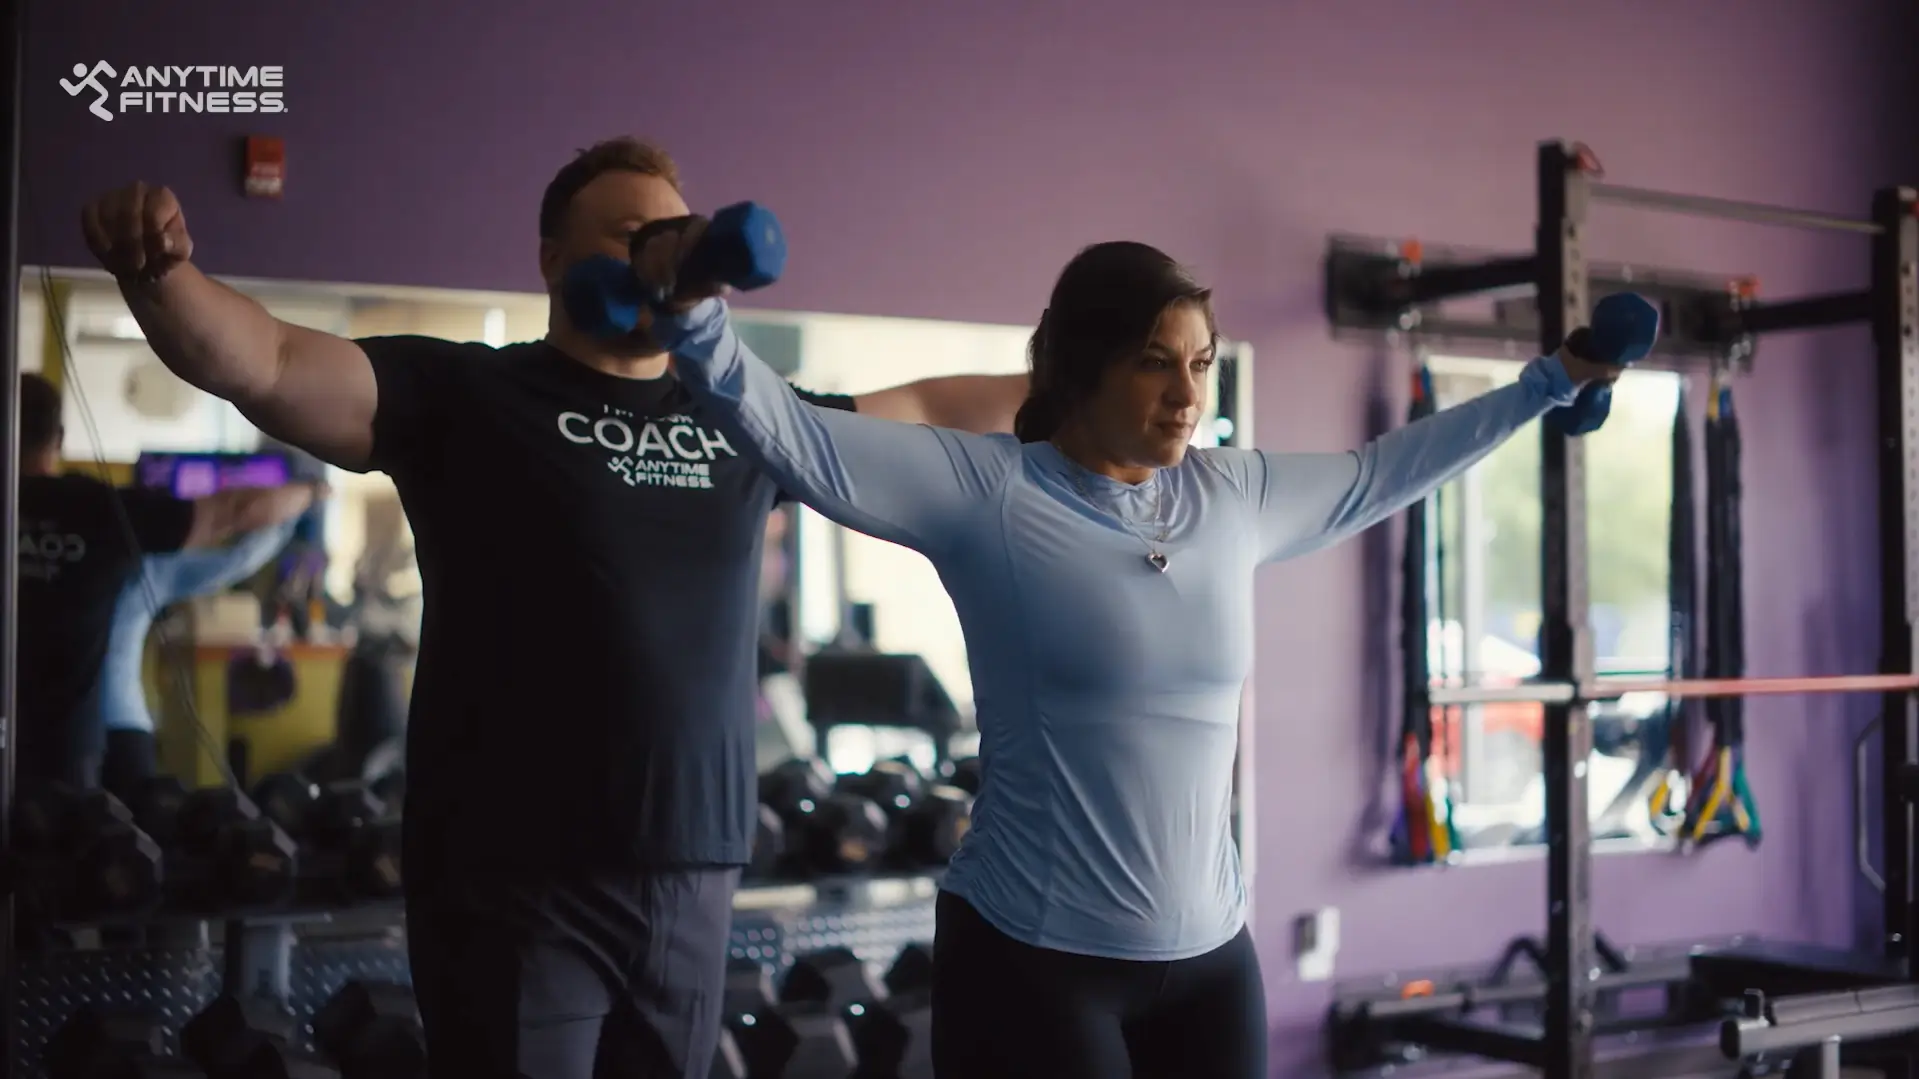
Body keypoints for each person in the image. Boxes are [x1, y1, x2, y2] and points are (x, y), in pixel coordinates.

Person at [77, 136, 1029, 1079]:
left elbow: (928, 412)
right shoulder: (469, 394)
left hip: (692, 866)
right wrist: (162, 276)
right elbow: (272, 360)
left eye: (670, 234)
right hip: (511, 871)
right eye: (625, 234)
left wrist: (1088, 384)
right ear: (551, 259)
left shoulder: (748, 418)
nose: (655, 254)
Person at [646, 238, 1625, 1079]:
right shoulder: (987, 492)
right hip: (1032, 958)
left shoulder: (1227, 494)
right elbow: (795, 434)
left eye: (1198, 362)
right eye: (1156, 363)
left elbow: (1381, 472)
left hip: (1209, 959)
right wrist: (690, 312)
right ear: (1082, 367)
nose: (1186, 393)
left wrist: (1546, 386)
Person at [18, 372, 321, 791]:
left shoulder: (101, 523)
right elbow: (236, 535)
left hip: (31, 731)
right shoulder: (98, 517)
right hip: (97, 736)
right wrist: (306, 495)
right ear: (58, 437)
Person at [85, 516, 302, 801]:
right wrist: (286, 518)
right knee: (131, 835)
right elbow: (237, 560)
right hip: (121, 724)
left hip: (73, 725)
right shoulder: (148, 569)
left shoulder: (71, 562)